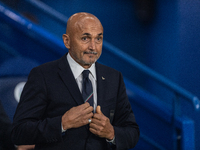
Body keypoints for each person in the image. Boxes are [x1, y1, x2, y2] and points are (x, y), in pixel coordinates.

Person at [11, 12, 140, 150]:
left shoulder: (114, 78)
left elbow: (132, 132)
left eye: (98, 39)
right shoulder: (42, 75)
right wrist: (62, 123)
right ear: (67, 41)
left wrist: (111, 132)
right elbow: (19, 132)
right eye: (85, 38)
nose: (93, 47)